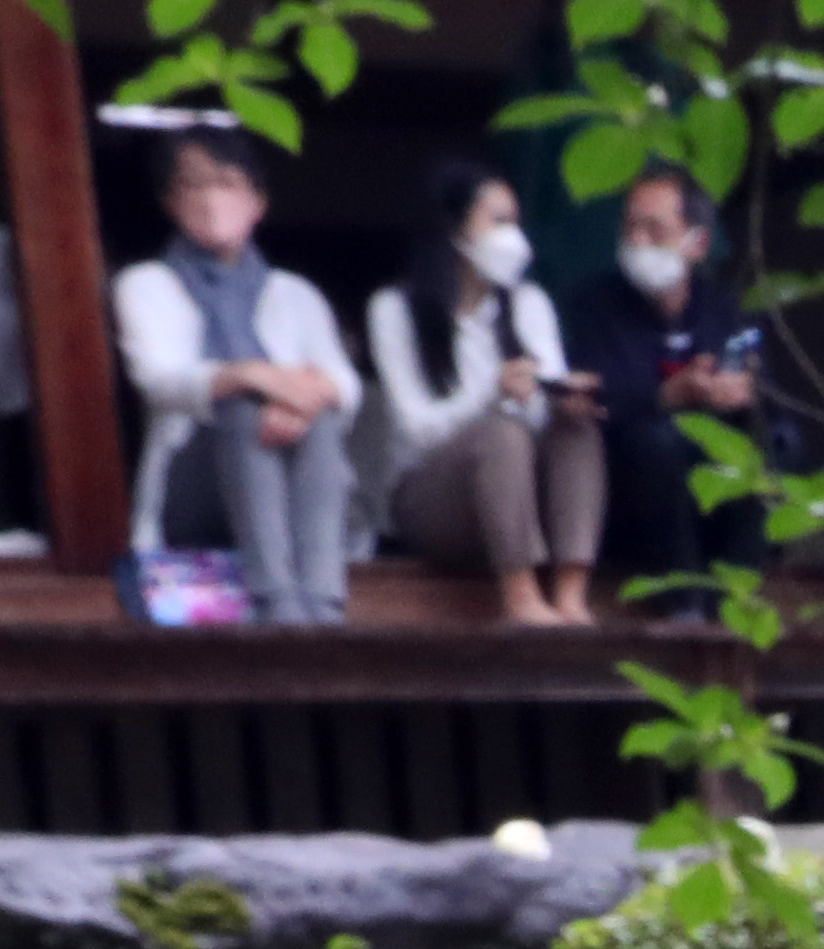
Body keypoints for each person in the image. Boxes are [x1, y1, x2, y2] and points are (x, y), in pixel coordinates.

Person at [108, 128, 355, 625]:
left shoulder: (295, 293)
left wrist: (297, 401)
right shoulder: (144, 283)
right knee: (242, 407)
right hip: (195, 485)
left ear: (256, 201)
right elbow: (159, 379)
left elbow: (344, 385)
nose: (209, 197)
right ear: (170, 201)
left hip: (290, 478)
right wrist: (250, 376)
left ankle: (323, 600)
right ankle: (276, 599)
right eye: (192, 185)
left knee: (320, 420)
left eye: (224, 182)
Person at [368, 159, 598, 625]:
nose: (513, 237)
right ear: (453, 228)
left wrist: (559, 396)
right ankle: (520, 597)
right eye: (499, 221)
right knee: (500, 433)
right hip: (432, 500)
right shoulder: (394, 309)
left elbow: (540, 405)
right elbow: (417, 430)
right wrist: (491, 396)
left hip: (519, 496)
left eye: (515, 222)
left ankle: (571, 596)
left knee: (576, 427)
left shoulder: (530, 303)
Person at [567, 162, 761, 619]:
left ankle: (739, 598)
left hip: (712, 489)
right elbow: (594, 401)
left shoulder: (723, 307)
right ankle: (685, 604)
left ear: (697, 242)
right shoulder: (588, 307)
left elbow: (759, 380)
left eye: (654, 228)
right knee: (656, 441)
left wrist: (736, 391)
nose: (637, 240)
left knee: (772, 446)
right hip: (625, 493)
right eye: (630, 226)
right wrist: (665, 396)